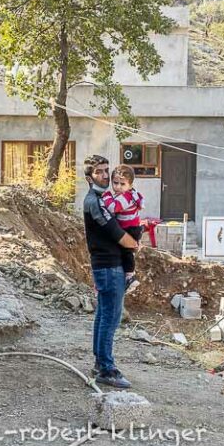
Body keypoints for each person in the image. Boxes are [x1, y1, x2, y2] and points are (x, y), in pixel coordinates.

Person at [82, 154, 139, 389]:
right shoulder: (95, 201)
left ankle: (99, 363)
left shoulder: (105, 197)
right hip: (108, 265)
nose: (106, 175)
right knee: (111, 318)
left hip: (109, 264)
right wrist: (134, 243)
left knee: (104, 315)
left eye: (107, 170)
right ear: (89, 177)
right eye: (99, 172)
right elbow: (118, 234)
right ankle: (106, 368)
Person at [102, 165, 145, 295]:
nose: (118, 187)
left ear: (130, 185)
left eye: (122, 184)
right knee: (125, 252)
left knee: (126, 252)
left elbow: (113, 208)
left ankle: (130, 277)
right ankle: (127, 277)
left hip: (130, 229)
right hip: (130, 227)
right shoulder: (128, 194)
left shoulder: (126, 196)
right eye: (115, 183)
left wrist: (107, 196)